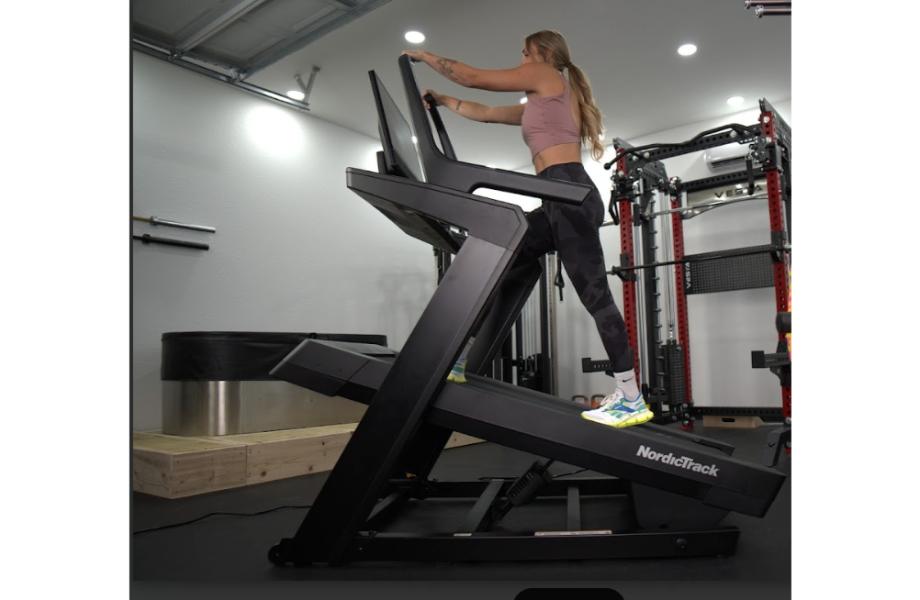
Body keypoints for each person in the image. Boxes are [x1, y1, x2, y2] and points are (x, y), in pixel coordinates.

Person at [402, 30, 653, 429]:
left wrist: (427, 56)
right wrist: (443, 102)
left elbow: (473, 77)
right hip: (555, 197)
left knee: (594, 293)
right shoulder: (541, 102)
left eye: (525, 50)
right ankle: (459, 358)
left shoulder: (547, 76)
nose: (521, 56)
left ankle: (630, 397)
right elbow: (482, 110)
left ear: (544, 53)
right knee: (496, 258)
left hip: (567, 192)